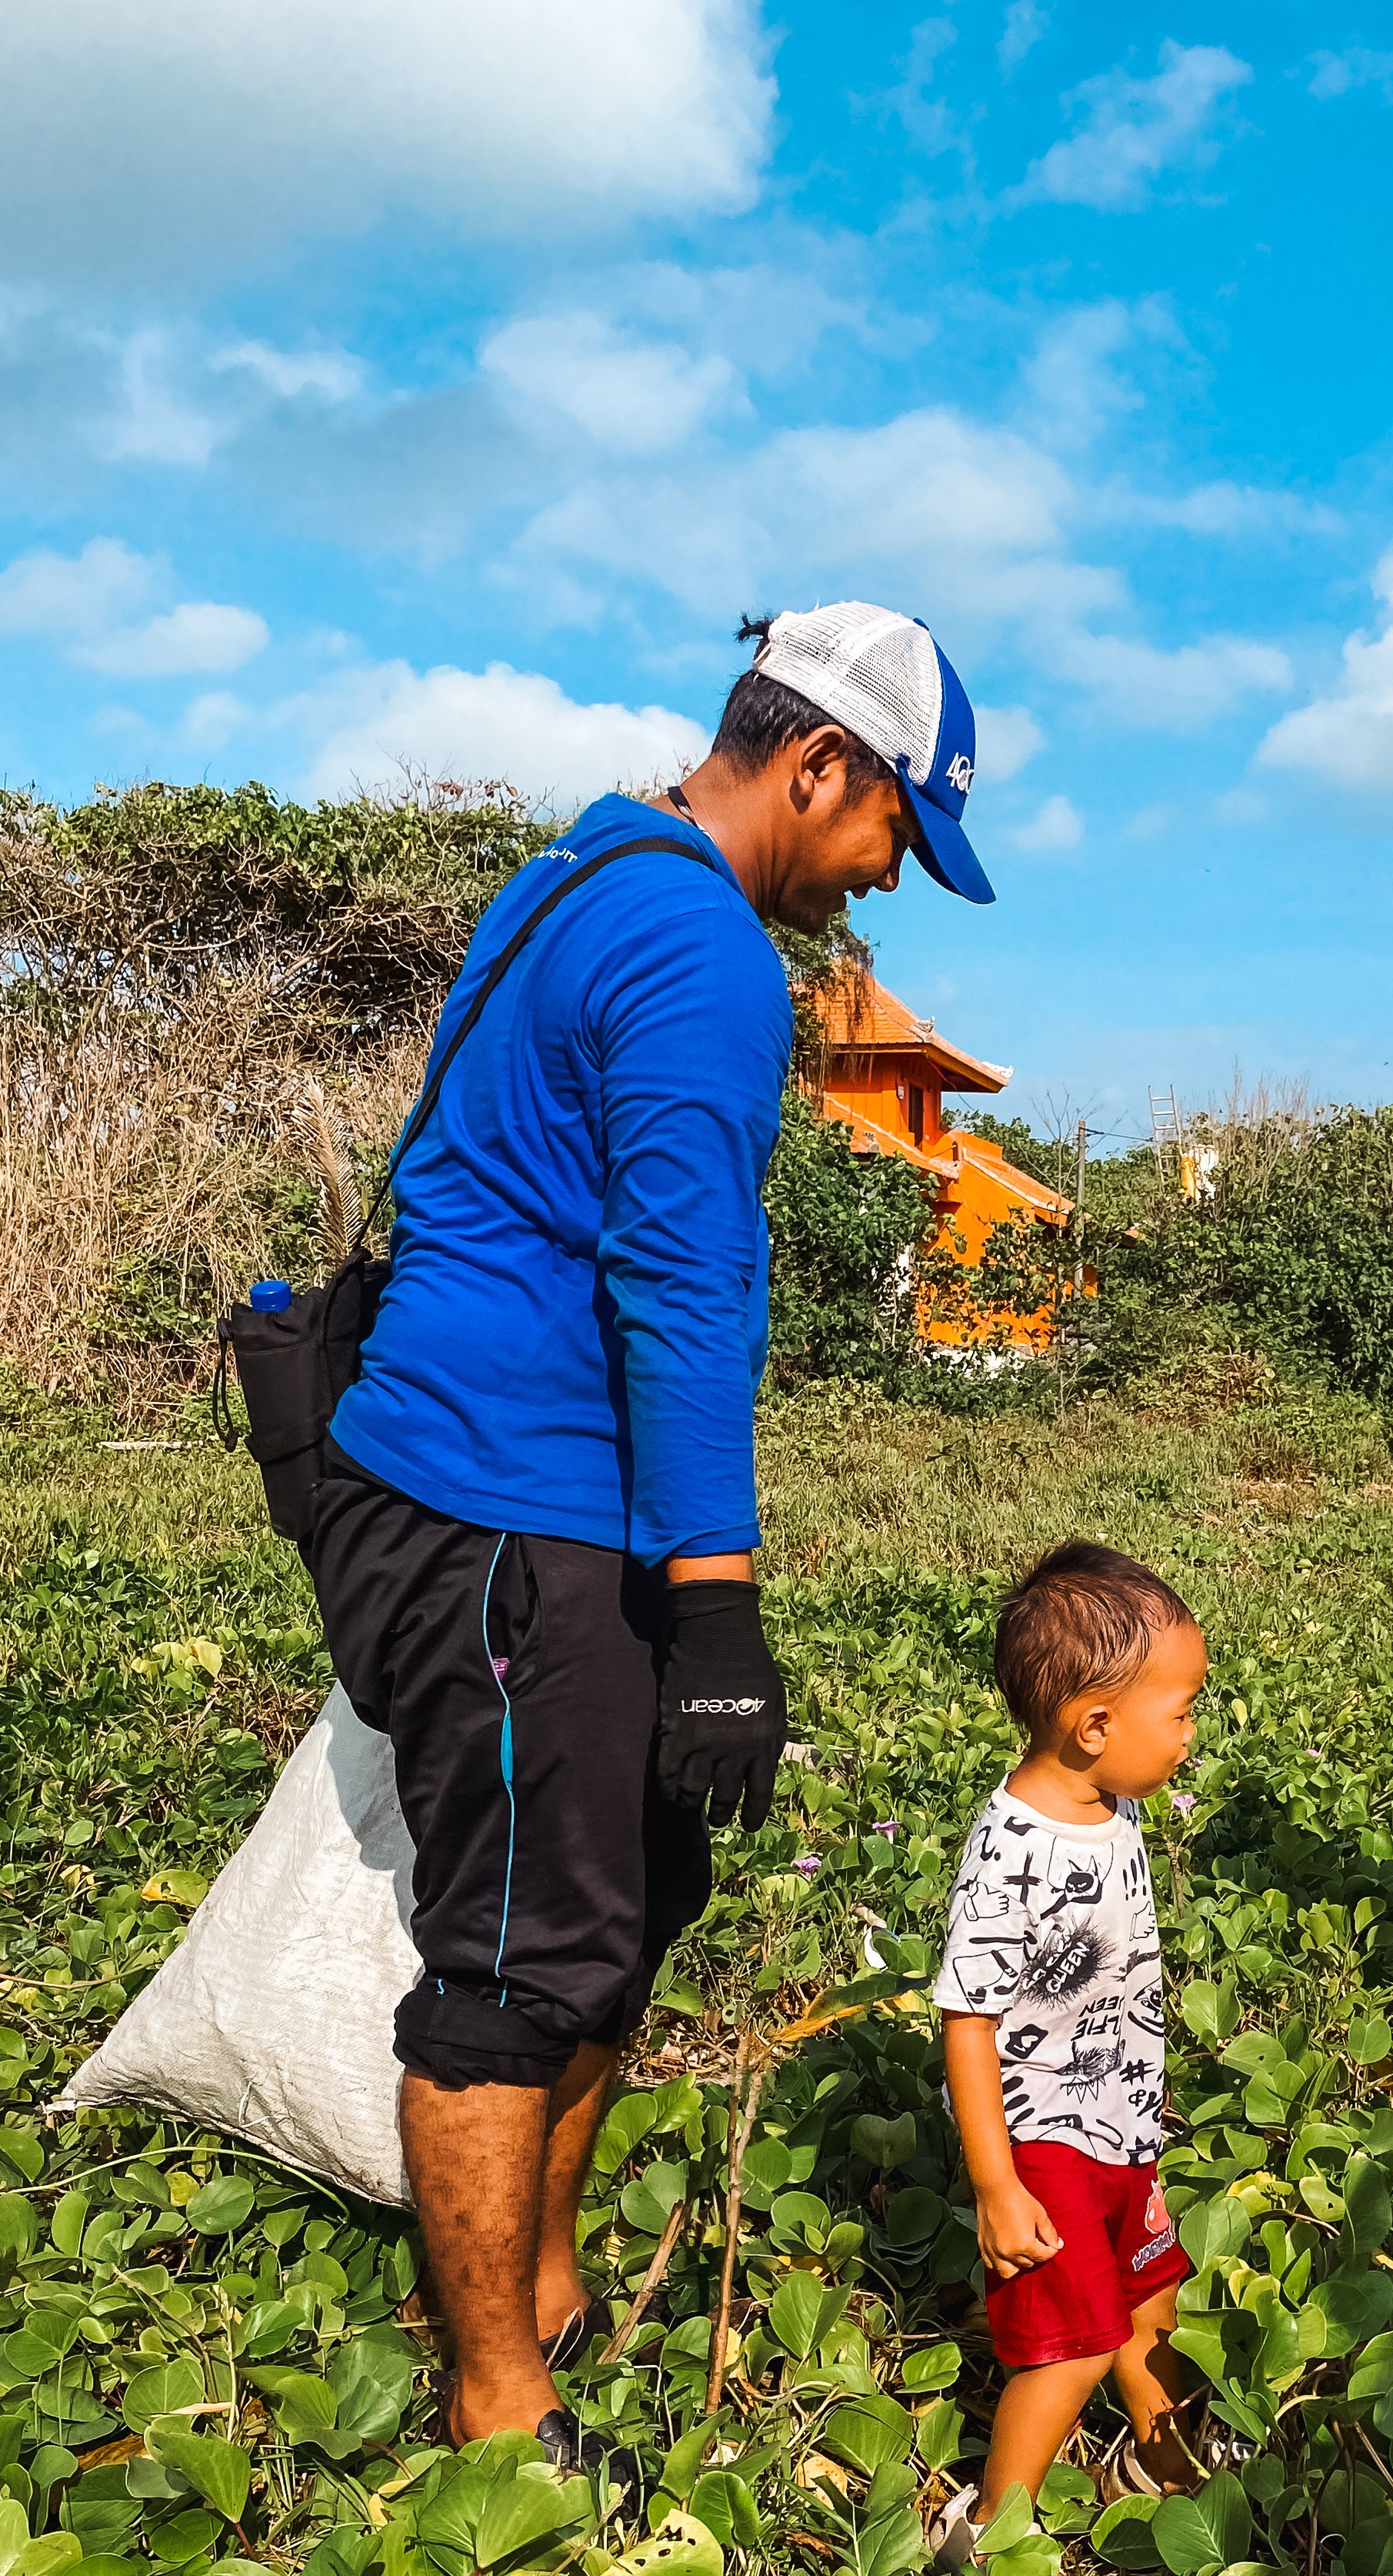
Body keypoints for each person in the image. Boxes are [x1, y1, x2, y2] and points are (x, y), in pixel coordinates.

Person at [310, 601, 996, 2479]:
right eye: (888, 840)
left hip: (462, 1480)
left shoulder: (579, 866)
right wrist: (715, 1607)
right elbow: (683, 1283)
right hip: (504, 1500)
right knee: (524, 1949)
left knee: (625, 1903)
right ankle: (494, 2409)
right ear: (818, 768)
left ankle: (536, 2286)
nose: (885, 882)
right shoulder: (701, 949)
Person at [931, 1542, 1207, 2559]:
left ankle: (1157, 2444)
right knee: (1074, 2345)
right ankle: (993, 2526)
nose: (1189, 1733)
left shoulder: (1108, 1801)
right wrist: (995, 2183)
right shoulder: (1011, 1855)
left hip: (1123, 2124)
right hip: (1044, 2140)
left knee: (1150, 2291)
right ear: (1093, 1724)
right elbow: (968, 2021)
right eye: (1178, 1712)